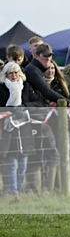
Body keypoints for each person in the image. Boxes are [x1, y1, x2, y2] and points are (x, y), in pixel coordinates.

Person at [0, 62, 35, 196]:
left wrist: (24, 106)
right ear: (6, 74)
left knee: (23, 164)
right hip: (7, 129)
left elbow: (37, 102)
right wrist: (8, 110)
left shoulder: (26, 86)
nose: (14, 75)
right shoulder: (1, 88)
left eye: (16, 72)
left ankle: (19, 190)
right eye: (11, 73)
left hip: (24, 128)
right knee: (11, 163)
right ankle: (13, 192)